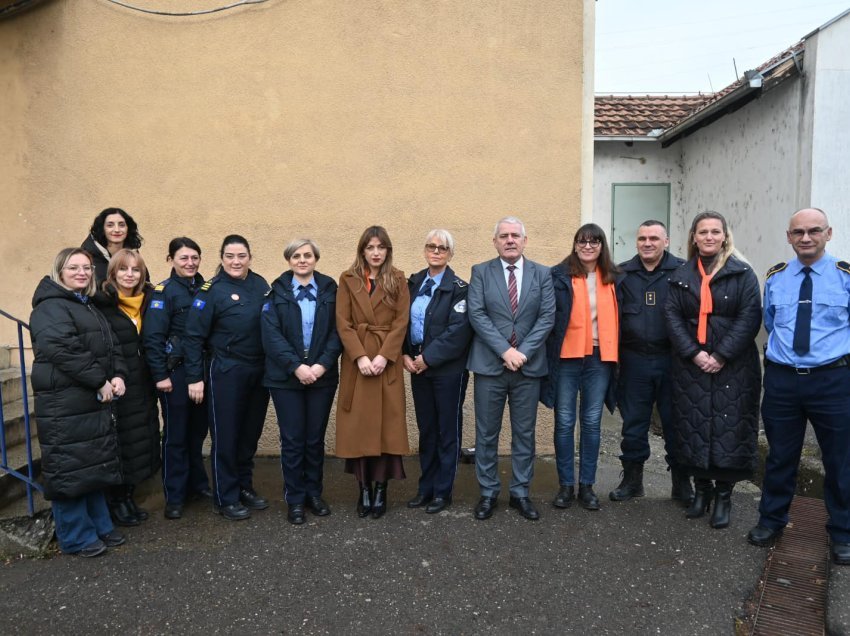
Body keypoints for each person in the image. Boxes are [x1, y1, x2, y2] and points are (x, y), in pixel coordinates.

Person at [748, 208, 850, 566]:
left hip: (833, 380)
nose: (806, 238)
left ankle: (843, 531)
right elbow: (773, 324)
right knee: (780, 456)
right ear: (788, 236)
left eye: (814, 231)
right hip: (783, 381)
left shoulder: (845, 276)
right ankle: (771, 519)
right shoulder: (776, 277)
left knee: (840, 460)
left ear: (828, 233)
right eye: (798, 232)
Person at [664, 211, 761, 529]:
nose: (708, 237)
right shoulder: (680, 275)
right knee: (694, 427)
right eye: (702, 231)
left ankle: (723, 496)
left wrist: (720, 354)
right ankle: (701, 491)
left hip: (733, 367)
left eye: (714, 232)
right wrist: (694, 353)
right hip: (690, 366)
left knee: (727, 430)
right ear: (693, 237)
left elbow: (749, 318)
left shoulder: (742, 273)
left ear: (724, 236)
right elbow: (672, 317)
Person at [29, 248, 128, 557]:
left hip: (87, 399)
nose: (83, 273)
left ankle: (99, 526)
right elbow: (63, 348)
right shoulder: (50, 307)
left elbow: (111, 346)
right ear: (60, 271)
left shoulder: (85, 305)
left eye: (86, 267)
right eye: (74, 267)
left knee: (91, 463)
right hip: (64, 402)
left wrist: (119, 375)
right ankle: (75, 536)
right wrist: (99, 380)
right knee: (69, 468)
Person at [467, 216, 555, 521]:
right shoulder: (480, 272)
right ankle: (488, 492)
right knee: (487, 434)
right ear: (495, 241)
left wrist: (522, 353)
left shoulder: (543, 274)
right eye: (503, 235)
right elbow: (477, 314)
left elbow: (547, 317)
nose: (509, 240)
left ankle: (520, 492)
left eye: (515, 235)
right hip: (490, 366)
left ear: (525, 241)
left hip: (527, 368)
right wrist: (505, 350)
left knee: (524, 434)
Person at [184, 235, 270, 521]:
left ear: (250, 257)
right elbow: (193, 337)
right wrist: (195, 377)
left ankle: (244, 486)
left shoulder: (260, 285)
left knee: (249, 434)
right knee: (227, 435)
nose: (236, 261)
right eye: (230, 256)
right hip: (226, 370)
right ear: (221, 258)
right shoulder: (211, 290)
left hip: (258, 370)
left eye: (242, 255)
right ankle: (225, 496)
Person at [608, 221, 691, 505]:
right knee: (633, 424)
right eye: (642, 238)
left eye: (654, 238)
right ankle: (632, 481)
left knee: (676, 423)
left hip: (673, 361)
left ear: (666, 241)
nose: (647, 243)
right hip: (634, 361)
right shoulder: (621, 273)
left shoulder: (683, 271)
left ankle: (681, 483)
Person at [261, 238, 342, 525]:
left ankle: (313, 493)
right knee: (293, 440)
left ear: (316, 259)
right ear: (289, 260)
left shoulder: (331, 290)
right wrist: (296, 366)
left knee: (314, 438)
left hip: (322, 376)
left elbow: (339, 331)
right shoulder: (276, 292)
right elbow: (271, 335)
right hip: (285, 378)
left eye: (308, 255)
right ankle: (294, 498)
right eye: (296, 256)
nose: (302, 260)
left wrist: (320, 365)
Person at [541, 223, 618, 512]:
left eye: (594, 241)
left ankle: (587, 486)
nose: (588, 246)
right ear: (574, 245)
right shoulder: (558, 275)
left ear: (602, 245)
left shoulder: (613, 277)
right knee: (563, 422)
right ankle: (565, 486)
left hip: (600, 357)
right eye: (582, 241)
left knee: (591, 422)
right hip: (566, 357)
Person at [335, 226, 410, 519]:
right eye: (370, 247)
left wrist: (383, 356)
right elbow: (343, 323)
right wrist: (360, 357)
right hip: (358, 364)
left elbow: (401, 322)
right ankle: (363, 488)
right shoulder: (348, 279)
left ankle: (381, 489)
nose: (376, 253)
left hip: (386, 363)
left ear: (388, 251)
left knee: (386, 428)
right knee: (359, 427)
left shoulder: (398, 279)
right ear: (362, 250)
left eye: (381, 247)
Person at [403, 229, 472, 514]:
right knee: (427, 430)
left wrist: (427, 359)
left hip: (447, 370)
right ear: (424, 250)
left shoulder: (460, 288)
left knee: (447, 431)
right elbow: (400, 321)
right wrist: (405, 353)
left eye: (442, 248)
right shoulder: (413, 283)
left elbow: (458, 331)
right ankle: (426, 488)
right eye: (431, 246)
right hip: (417, 367)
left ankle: (443, 491)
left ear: (450, 254)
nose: (436, 251)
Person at [143, 238, 212, 520]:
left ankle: (197, 485)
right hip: (176, 373)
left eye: (194, 257)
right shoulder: (164, 292)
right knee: (176, 435)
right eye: (183, 258)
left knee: (197, 433)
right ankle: (175, 494)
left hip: (203, 370)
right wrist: (160, 375)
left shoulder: (207, 288)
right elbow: (153, 337)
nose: (190, 263)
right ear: (170, 259)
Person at [95, 249, 161, 527]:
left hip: (144, 380)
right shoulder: (103, 304)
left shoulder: (150, 300)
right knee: (121, 440)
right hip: (119, 382)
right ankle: (117, 500)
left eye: (135, 269)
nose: (129, 275)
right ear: (112, 273)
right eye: (123, 269)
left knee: (141, 438)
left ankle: (129, 496)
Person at [82, 207, 144, 284]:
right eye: (110, 225)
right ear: (102, 229)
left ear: (128, 228)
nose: (117, 230)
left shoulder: (133, 254)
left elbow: (144, 283)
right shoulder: (87, 257)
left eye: (121, 225)